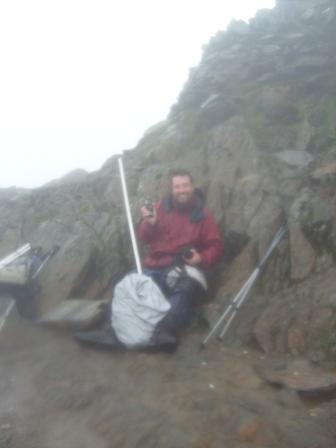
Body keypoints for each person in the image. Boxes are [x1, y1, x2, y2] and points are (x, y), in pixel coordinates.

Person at [138, 169, 224, 343]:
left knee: (185, 289)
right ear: (172, 189)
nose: (182, 190)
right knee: (136, 286)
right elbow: (143, 238)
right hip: (156, 265)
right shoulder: (159, 207)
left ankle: (164, 332)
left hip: (186, 268)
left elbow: (216, 246)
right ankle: (119, 327)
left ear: (192, 187)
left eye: (185, 185)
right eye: (177, 186)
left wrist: (201, 258)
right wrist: (150, 223)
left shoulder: (204, 214)